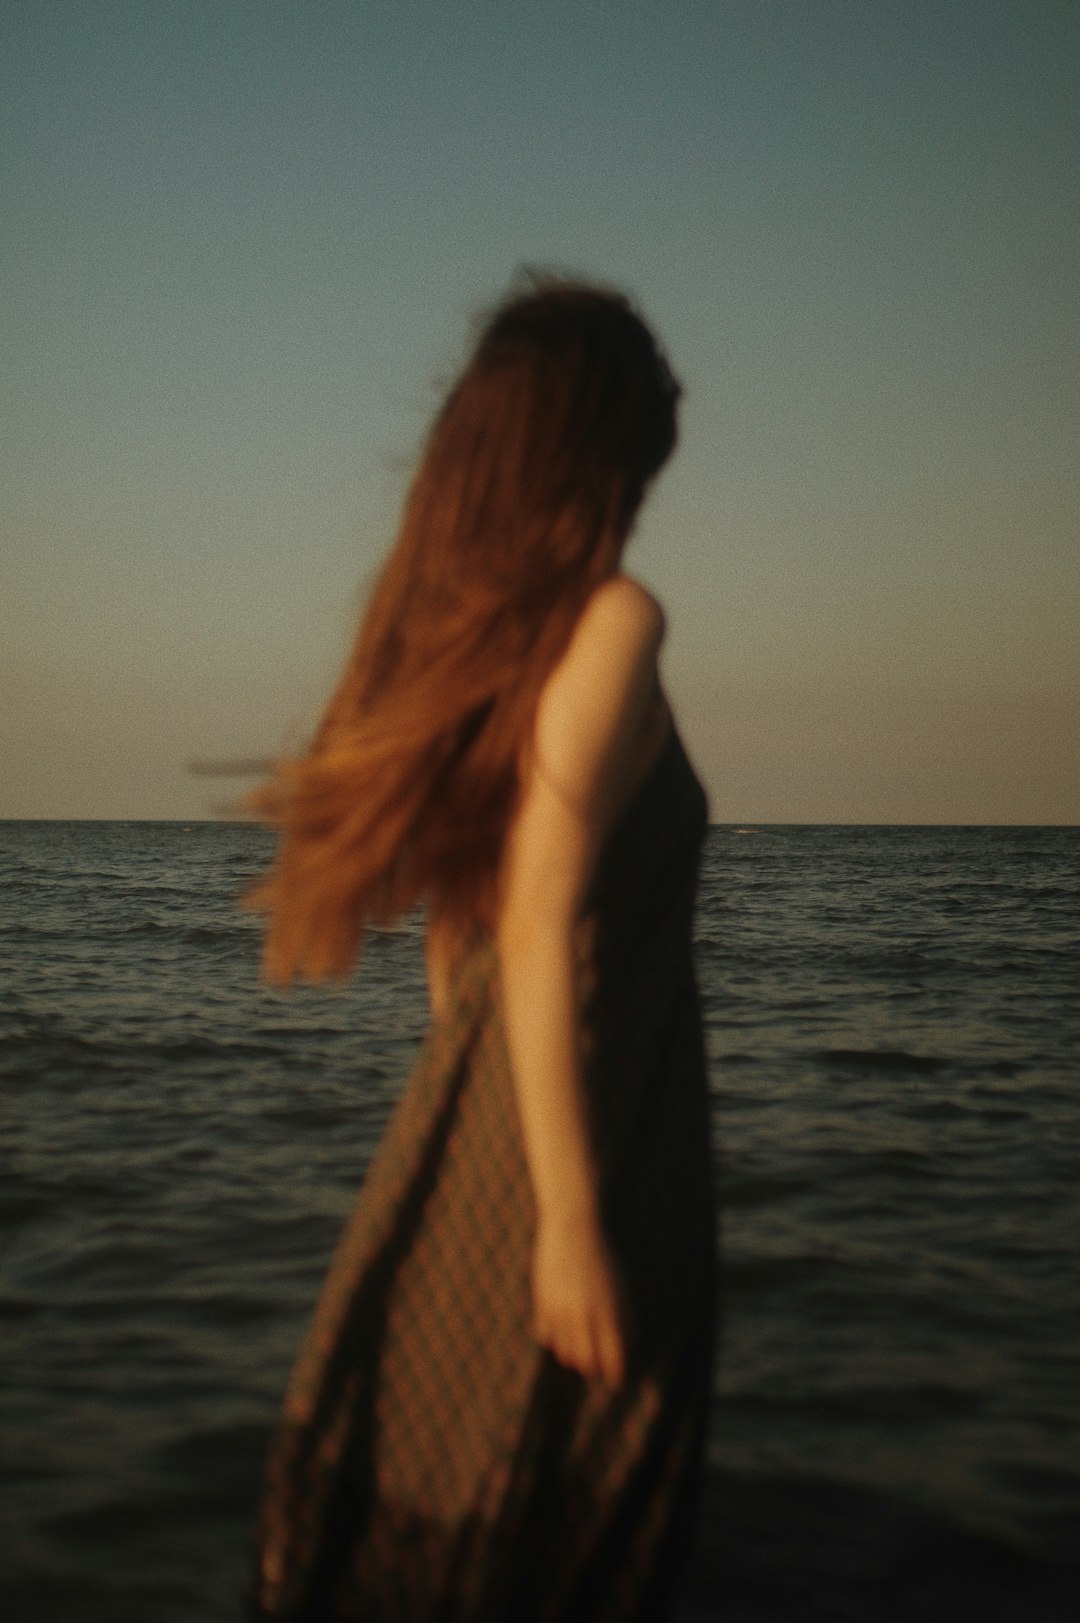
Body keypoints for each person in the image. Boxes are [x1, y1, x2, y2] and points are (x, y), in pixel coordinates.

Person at [246, 276, 716, 1621]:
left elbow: (466, 940)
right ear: (603, 450)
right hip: (596, 1139)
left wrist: (486, 1144)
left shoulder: (508, 652)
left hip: (476, 1126)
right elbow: (534, 908)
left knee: (452, 1500)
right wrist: (569, 1218)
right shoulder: (616, 623)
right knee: (588, 1522)